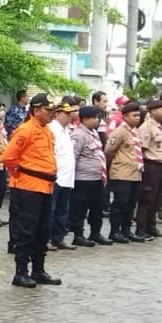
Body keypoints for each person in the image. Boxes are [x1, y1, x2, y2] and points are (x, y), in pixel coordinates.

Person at [1, 93, 61, 288]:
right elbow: (9, 157)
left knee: (42, 230)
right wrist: (20, 175)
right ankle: (21, 272)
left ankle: (38, 269)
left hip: (45, 186)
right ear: (36, 110)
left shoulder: (47, 131)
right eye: (48, 110)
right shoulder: (26, 130)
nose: (52, 114)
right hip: (28, 187)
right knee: (26, 230)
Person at [68, 105, 109, 246]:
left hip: (97, 178)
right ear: (85, 119)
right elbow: (73, 157)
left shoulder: (94, 133)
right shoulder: (78, 135)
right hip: (83, 180)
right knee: (80, 208)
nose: (98, 120)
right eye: (95, 117)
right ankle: (78, 235)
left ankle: (95, 233)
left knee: (97, 207)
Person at [105, 102, 145, 242]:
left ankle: (126, 230)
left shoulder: (135, 131)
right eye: (134, 115)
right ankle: (115, 231)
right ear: (125, 116)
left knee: (131, 204)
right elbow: (109, 151)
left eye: (138, 115)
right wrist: (117, 164)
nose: (137, 118)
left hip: (135, 173)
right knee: (120, 203)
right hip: (122, 173)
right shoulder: (120, 131)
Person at [134, 99, 162, 238]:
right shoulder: (146, 127)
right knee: (147, 198)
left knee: (156, 198)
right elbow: (142, 149)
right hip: (151, 165)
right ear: (153, 111)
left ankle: (151, 226)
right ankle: (141, 228)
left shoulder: (158, 126)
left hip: (160, 164)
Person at [47, 99, 77, 252]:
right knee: (50, 211)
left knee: (62, 210)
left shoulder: (66, 130)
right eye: (66, 114)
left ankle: (58, 238)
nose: (70, 116)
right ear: (57, 113)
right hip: (56, 176)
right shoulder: (51, 129)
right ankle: (46, 239)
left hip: (67, 177)